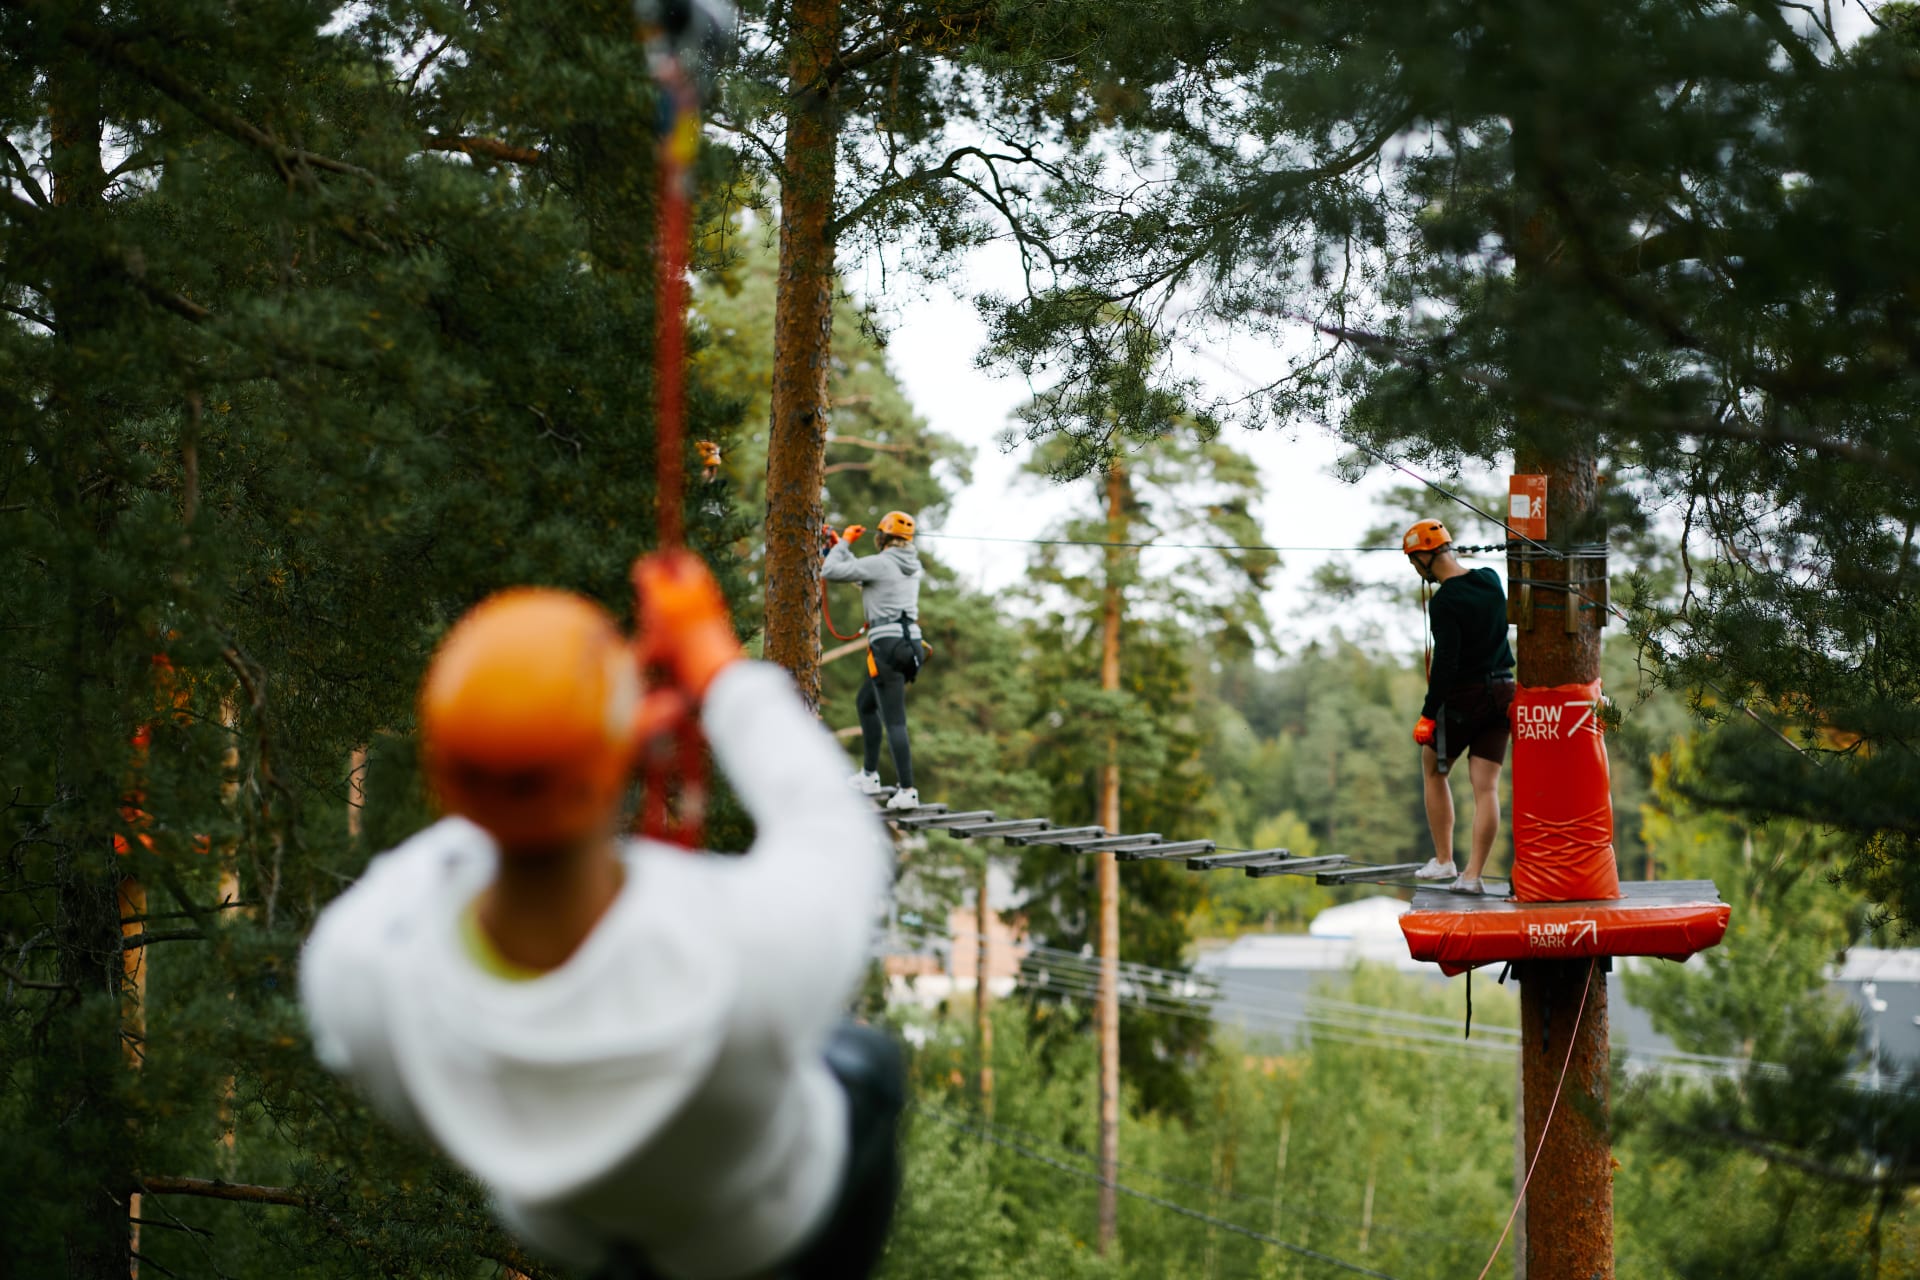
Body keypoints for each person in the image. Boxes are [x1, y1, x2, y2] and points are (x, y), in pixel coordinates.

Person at [299, 552, 902, 1280]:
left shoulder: (360, 979)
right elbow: (832, 828)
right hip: (777, 1234)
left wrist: (572, 749)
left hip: (586, 1240)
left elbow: (456, 840)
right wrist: (719, 670)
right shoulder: (743, 955)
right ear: (612, 760)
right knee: (872, 1066)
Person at [1403, 519, 1516, 894]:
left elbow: (1446, 664)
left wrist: (1427, 714)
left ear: (1424, 556)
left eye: (1413, 562)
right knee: (1486, 788)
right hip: (1503, 693)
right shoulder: (1489, 579)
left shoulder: (1445, 602)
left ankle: (1444, 860)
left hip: (1466, 697)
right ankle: (1473, 876)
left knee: (1432, 767)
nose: (1415, 569)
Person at [821, 510, 927, 811]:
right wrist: (836, 547)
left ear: (882, 536)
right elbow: (864, 579)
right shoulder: (910, 565)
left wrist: (844, 544)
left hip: (888, 646)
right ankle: (869, 775)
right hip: (910, 645)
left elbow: (830, 572)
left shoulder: (882, 562)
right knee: (866, 704)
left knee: (894, 720)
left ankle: (908, 791)